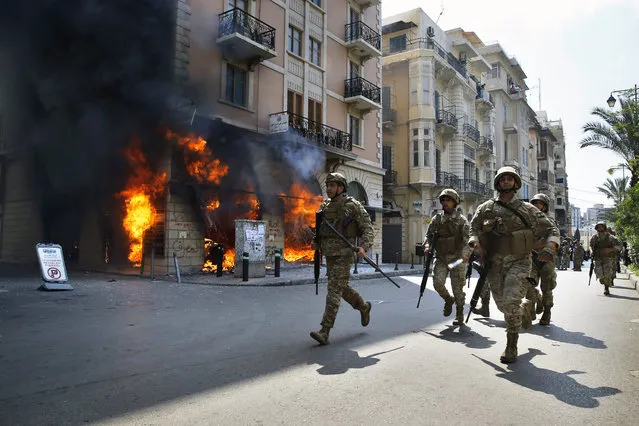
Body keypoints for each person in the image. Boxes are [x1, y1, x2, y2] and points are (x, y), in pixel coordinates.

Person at [468, 167, 560, 363]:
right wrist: (475, 243)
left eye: (510, 179)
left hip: (519, 260)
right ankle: (526, 309)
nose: (507, 181)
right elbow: (473, 228)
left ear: (516, 184)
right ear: (498, 183)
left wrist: (549, 247)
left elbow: (551, 228)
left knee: (510, 302)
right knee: (502, 306)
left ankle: (511, 345)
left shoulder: (528, 209)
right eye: (503, 179)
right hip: (494, 263)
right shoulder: (486, 208)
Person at [310, 172, 374, 345]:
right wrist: (315, 242)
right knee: (341, 288)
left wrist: (364, 247)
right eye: (328, 185)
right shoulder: (324, 207)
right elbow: (320, 230)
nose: (329, 188)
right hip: (329, 255)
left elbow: (368, 228)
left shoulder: (352, 206)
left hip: (344, 254)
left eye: (332, 185)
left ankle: (325, 330)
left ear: (341, 187)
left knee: (334, 292)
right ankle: (363, 307)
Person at [422, 189, 471, 325]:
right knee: (437, 283)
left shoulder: (461, 220)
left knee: (457, 288)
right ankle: (448, 300)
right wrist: (427, 246)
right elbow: (429, 235)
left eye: (448, 200)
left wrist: (465, 253)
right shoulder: (437, 219)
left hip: (457, 259)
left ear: (454, 202)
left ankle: (459, 314)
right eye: (443, 200)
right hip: (442, 258)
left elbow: (468, 239)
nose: (445, 203)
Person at [589, 222, 623, 296]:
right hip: (598, 258)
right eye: (598, 227)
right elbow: (591, 245)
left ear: (604, 227)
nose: (600, 228)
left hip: (608, 258)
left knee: (607, 273)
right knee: (599, 274)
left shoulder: (610, 237)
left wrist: (610, 250)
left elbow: (620, 245)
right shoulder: (595, 237)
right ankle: (605, 282)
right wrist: (591, 251)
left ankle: (606, 288)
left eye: (601, 227)